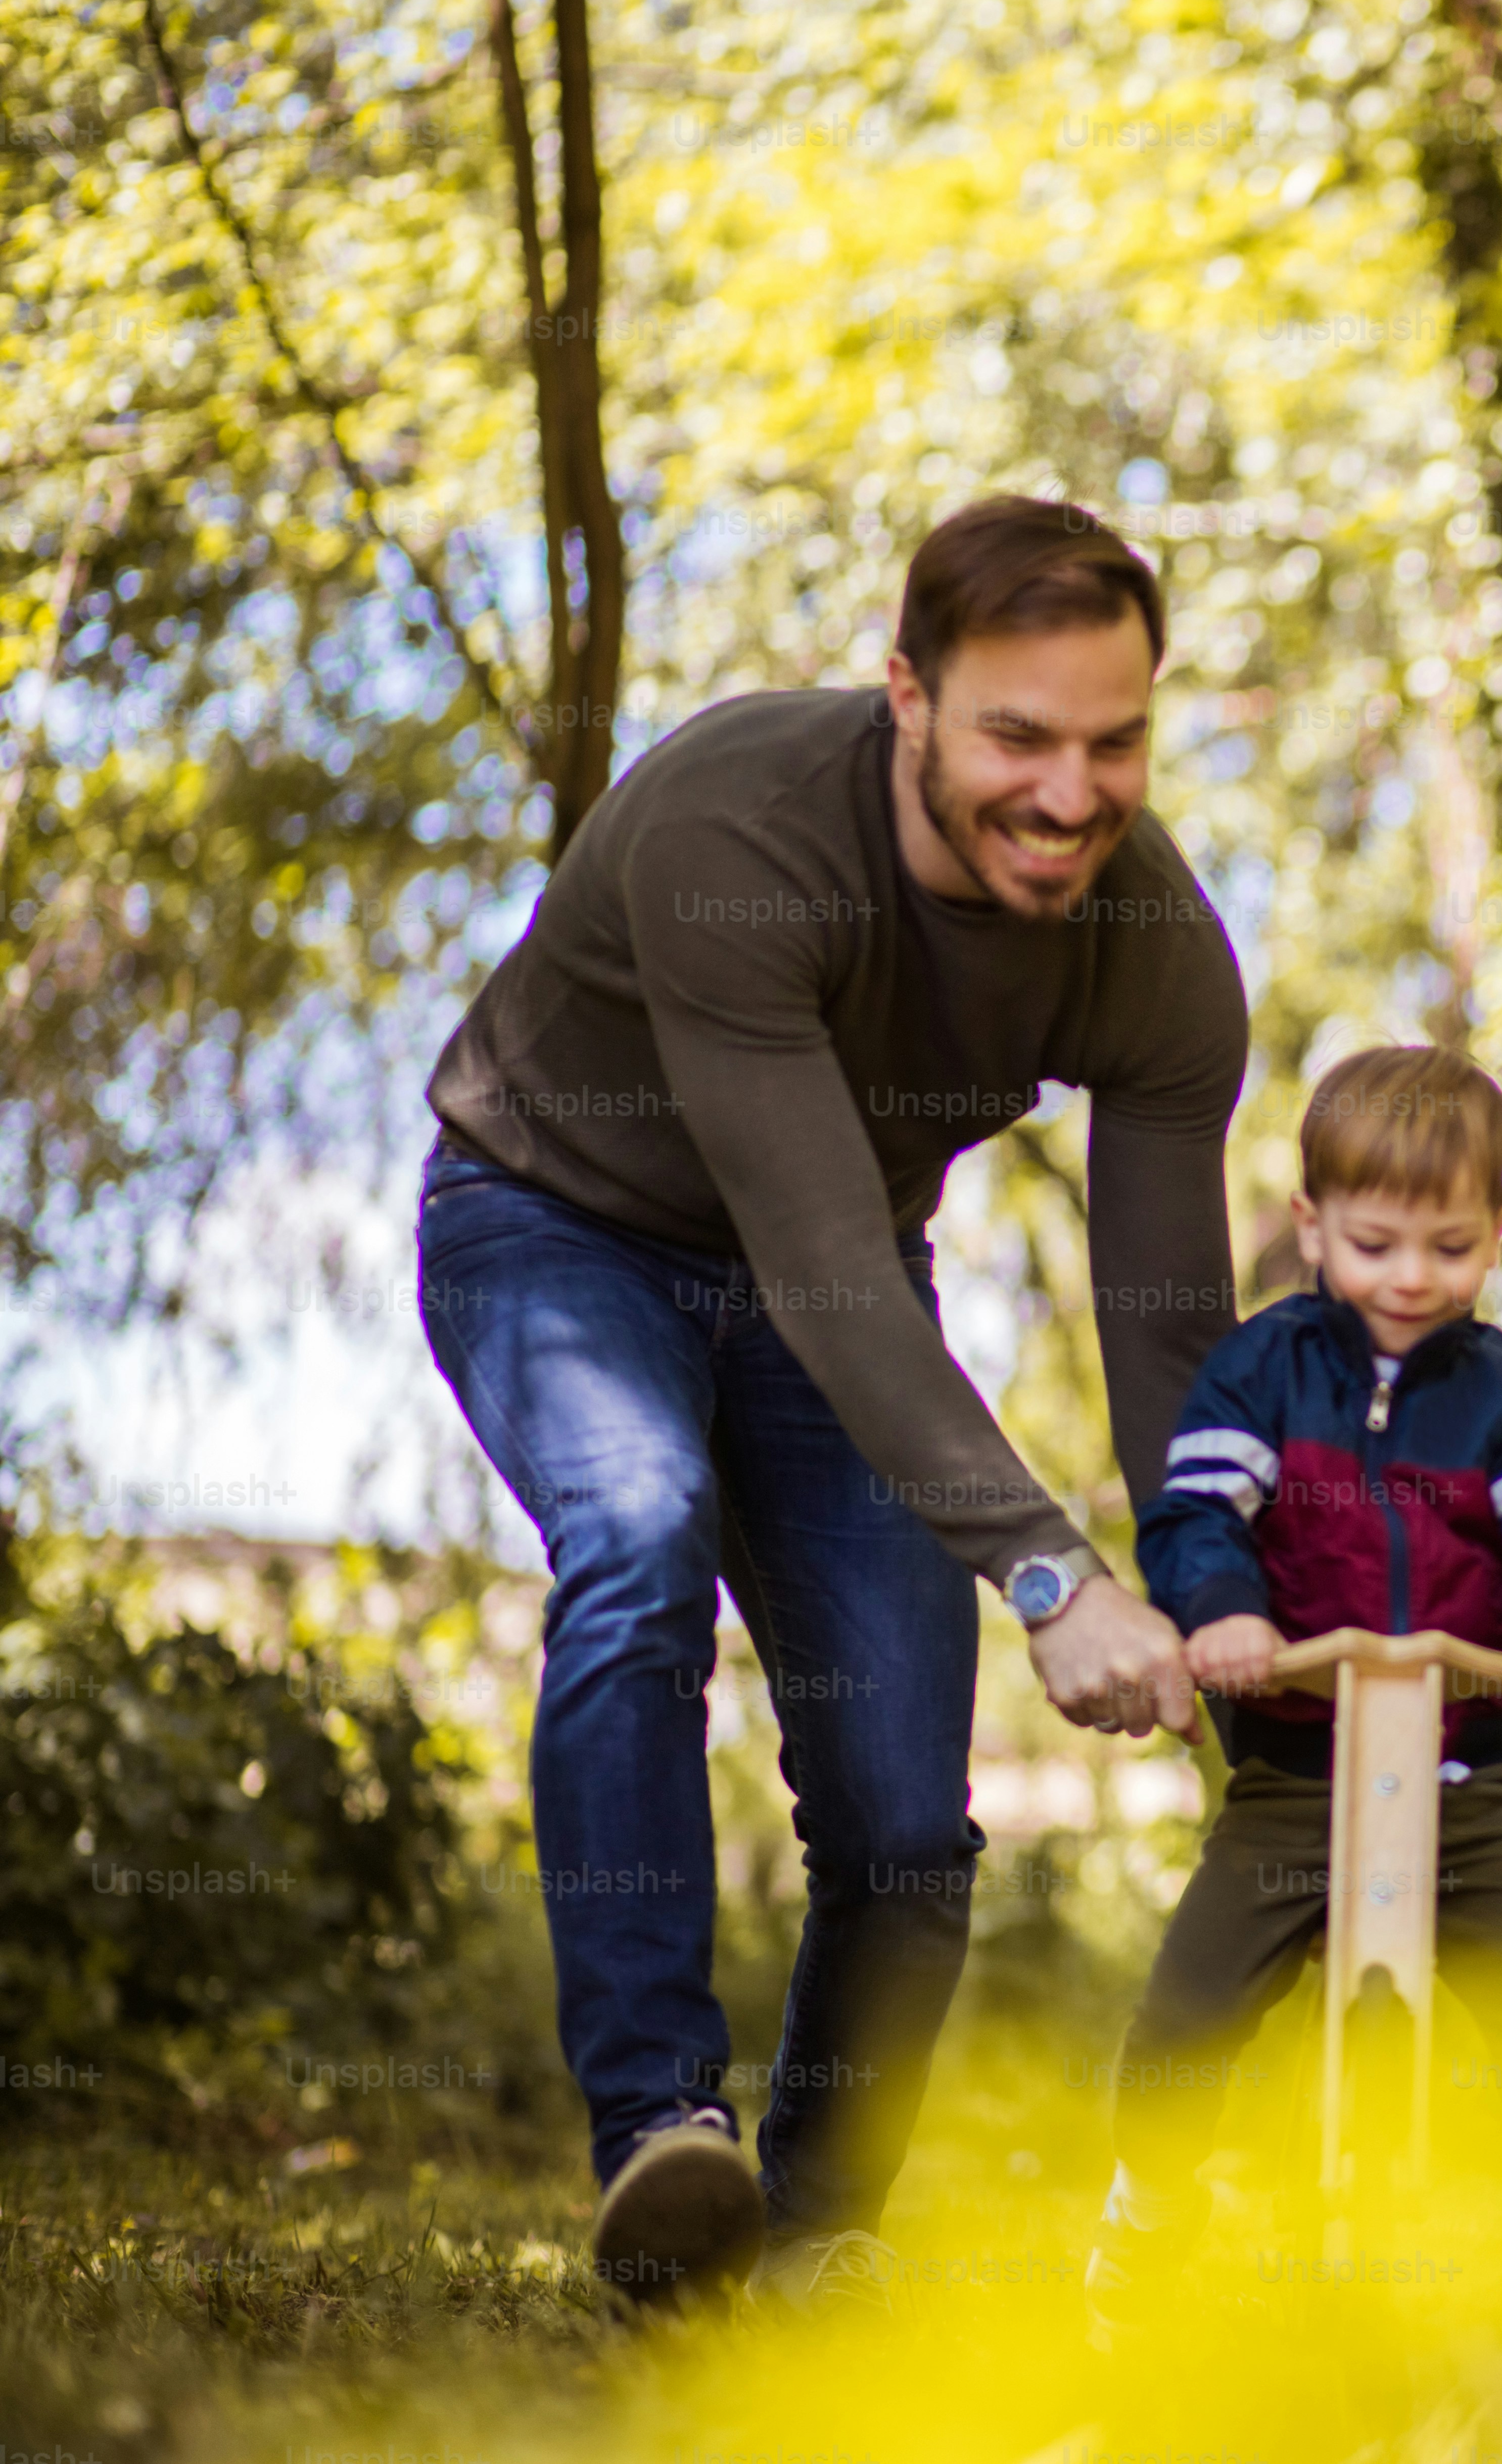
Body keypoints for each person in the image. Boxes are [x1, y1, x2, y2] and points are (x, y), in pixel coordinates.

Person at [416, 496, 1247, 2313]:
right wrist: (1049, 1575)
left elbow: (1170, 1326)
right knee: (636, 1539)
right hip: (564, 1227)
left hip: (836, 1286)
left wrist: (1223, 1586)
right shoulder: (740, 828)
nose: (1067, 789)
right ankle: (657, 2131)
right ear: (908, 700)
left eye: (1114, 740)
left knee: (899, 1812)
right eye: (1017, 736)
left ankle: (817, 2229)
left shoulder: (1153, 945)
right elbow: (816, 1264)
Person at [1087, 1043, 1502, 2325]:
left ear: (1500, 1231)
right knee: (1192, 2007)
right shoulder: (1261, 1372)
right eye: (1376, 1243)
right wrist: (1223, 1614)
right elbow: (1195, 1517)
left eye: (1450, 1248)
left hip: (1468, 1777)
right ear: (1310, 1225)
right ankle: (1149, 2212)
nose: (1412, 1277)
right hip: (1296, 1768)